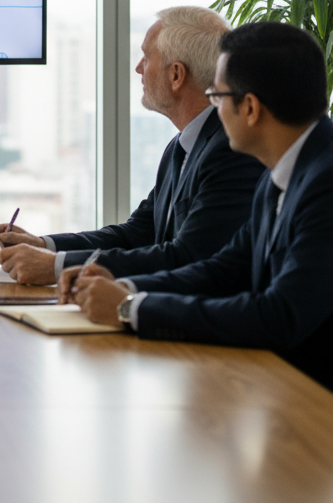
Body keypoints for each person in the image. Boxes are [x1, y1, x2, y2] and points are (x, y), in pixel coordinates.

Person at [66, 22, 333, 391]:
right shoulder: (281, 174)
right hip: (278, 389)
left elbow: (281, 315)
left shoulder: (325, 182)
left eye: (217, 97)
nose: (213, 109)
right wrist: (125, 287)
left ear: (250, 108)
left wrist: (131, 309)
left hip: (314, 409)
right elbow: (223, 270)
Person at [0, 6, 264, 283]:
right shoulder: (180, 147)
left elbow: (188, 256)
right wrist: (45, 245)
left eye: (147, 57)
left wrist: (57, 266)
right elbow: (135, 234)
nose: (138, 68)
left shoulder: (230, 151)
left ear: (176, 75)